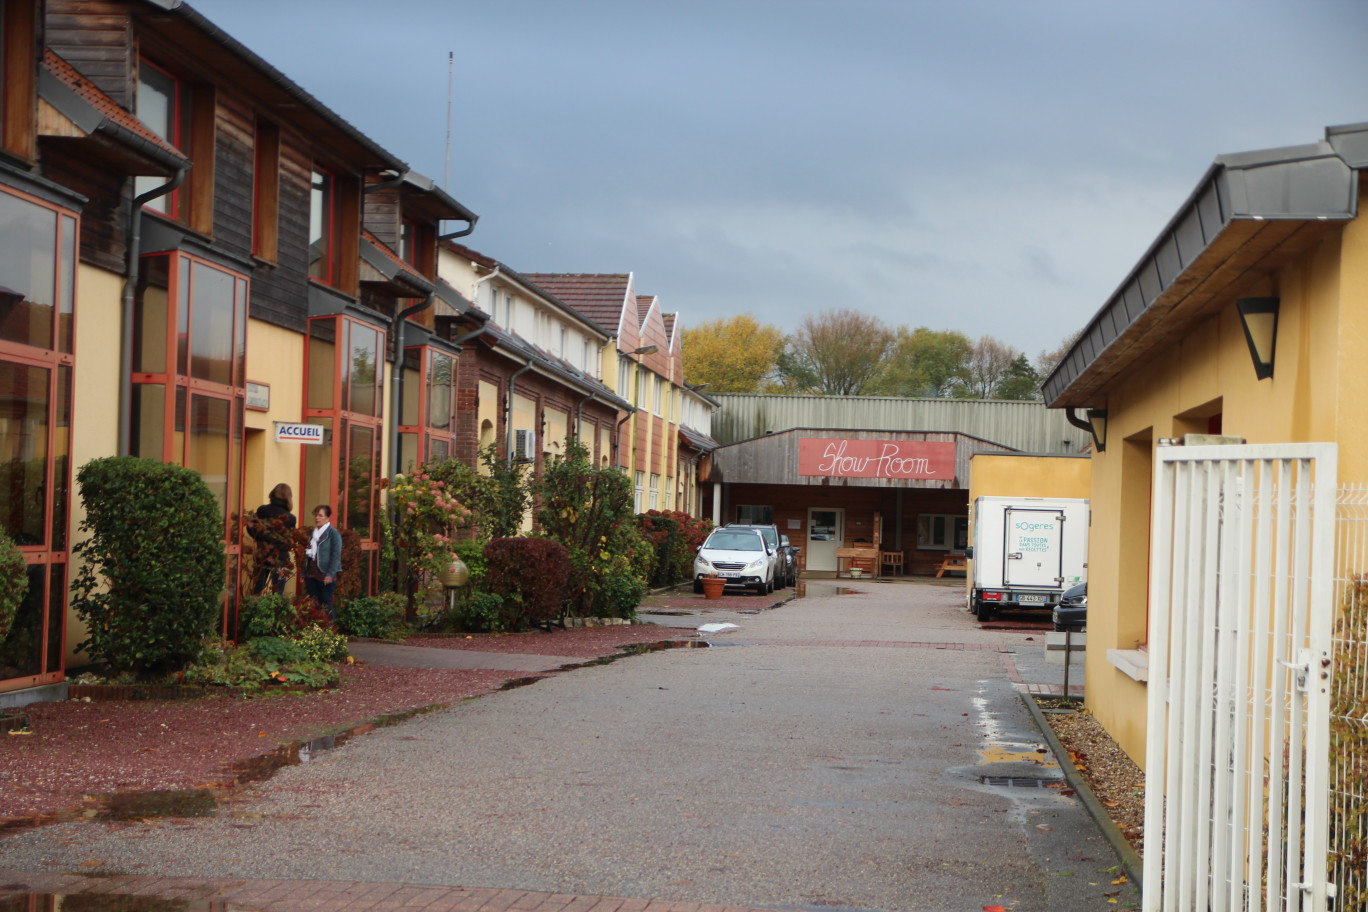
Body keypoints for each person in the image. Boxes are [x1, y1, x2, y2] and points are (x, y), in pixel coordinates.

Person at [247, 483, 296, 595]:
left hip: (262, 556)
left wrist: (260, 538)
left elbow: (251, 528)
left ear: (273, 494)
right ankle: (275, 611)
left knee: (257, 589)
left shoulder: (262, 510)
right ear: (288, 498)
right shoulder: (291, 518)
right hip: (281, 560)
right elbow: (290, 540)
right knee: (278, 592)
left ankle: (254, 610)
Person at [305, 504, 343, 620]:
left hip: (325, 575)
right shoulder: (313, 534)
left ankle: (329, 630)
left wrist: (330, 574)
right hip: (311, 574)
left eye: (320, 515)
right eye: (316, 515)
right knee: (313, 603)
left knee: (326, 603)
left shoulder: (333, 534)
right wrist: (303, 573)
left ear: (327, 518)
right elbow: (307, 553)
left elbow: (336, 555)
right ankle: (315, 630)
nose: (317, 518)